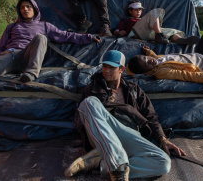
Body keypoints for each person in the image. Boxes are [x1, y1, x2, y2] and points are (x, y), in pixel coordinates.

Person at [0, 0, 100, 103]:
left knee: (41, 38)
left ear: (35, 9)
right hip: (10, 57)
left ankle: (31, 73)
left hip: (28, 57)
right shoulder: (12, 27)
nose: (25, 9)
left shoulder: (45, 26)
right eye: (23, 7)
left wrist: (89, 38)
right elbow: (2, 45)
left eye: (28, 7)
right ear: (19, 11)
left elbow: (66, 36)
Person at [64, 50, 186, 180]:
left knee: (163, 163)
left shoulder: (134, 89)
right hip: (104, 138)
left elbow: (151, 116)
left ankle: (102, 164)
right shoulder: (93, 89)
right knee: (88, 103)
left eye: (112, 67)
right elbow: (83, 119)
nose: (106, 70)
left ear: (121, 69)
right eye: (105, 66)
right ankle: (118, 171)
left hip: (129, 135)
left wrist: (163, 140)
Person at [113, 0, 200, 44]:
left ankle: (181, 40)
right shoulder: (126, 20)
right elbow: (116, 30)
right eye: (136, 10)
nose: (138, 11)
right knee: (155, 12)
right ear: (130, 11)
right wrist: (119, 32)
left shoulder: (143, 19)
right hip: (135, 33)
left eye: (140, 9)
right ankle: (159, 35)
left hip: (148, 33)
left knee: (170, 31)